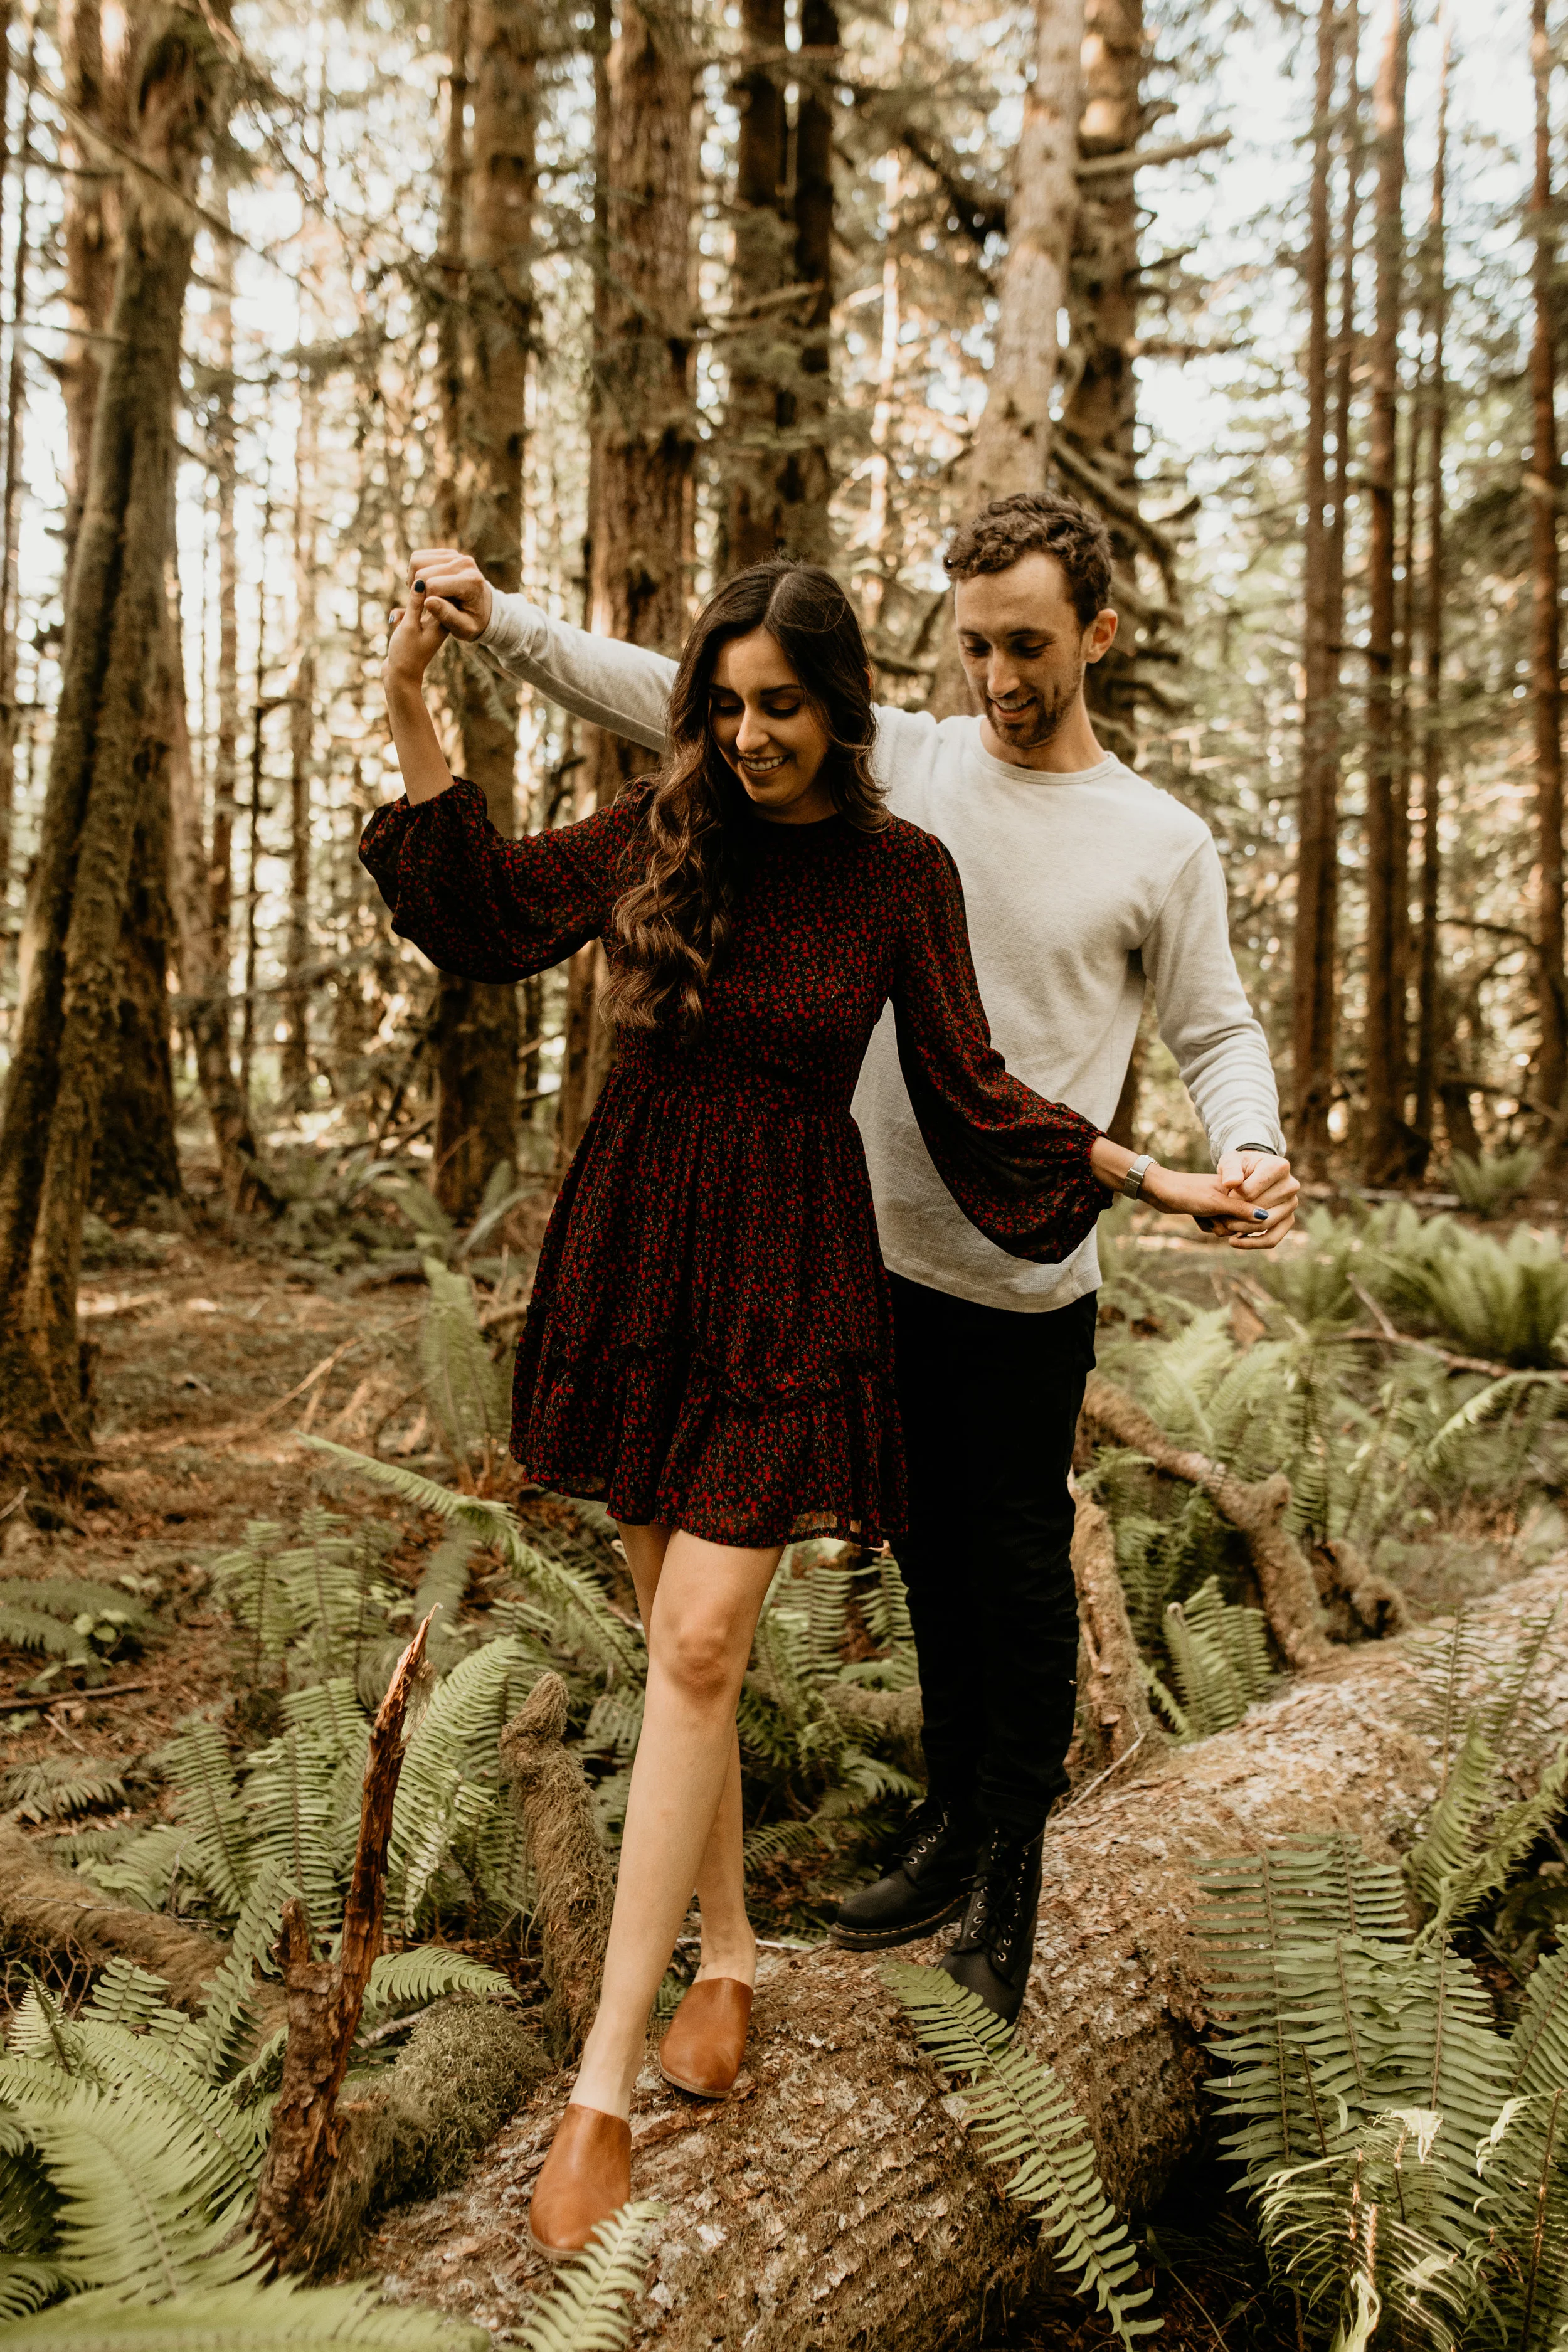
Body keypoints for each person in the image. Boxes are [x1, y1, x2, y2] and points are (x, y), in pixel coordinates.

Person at [363, 557, 1256, 2257]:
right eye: (726, 701)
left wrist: (1152, 1173)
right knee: (669, 1634)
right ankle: (728, 1957)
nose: (749, 733)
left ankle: (601, 2084)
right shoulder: (660, 827)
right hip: (637, 1245)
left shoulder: (896, 873)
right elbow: (478, 916)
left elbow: (974, 1087)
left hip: (788, 1260)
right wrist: (415, 691)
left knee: (698, 1643)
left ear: (842, 709)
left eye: (783, 705)